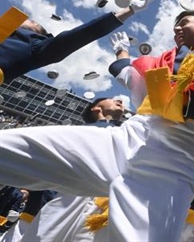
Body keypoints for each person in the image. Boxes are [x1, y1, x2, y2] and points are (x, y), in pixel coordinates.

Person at [0, 10, 194, 241]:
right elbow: (130, 72)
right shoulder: (166, 58)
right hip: (128, 136)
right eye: (175, 26)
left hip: (175, 155)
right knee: (9, 148)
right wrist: (121, 52)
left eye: (184, 23)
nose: (177, 29)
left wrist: (184, 99)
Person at [11, 97, 128, 242]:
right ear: (95, 108)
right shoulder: (75, 133)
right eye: (110, 99)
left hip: (103, 207)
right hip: (62, 200)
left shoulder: (125, 137)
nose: (119, 100)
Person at [0, 0, 154, 84]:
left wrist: (129, 10)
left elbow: (81, 35)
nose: (27, 20)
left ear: (36, 31)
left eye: (33, 21)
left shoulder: (34, 46)